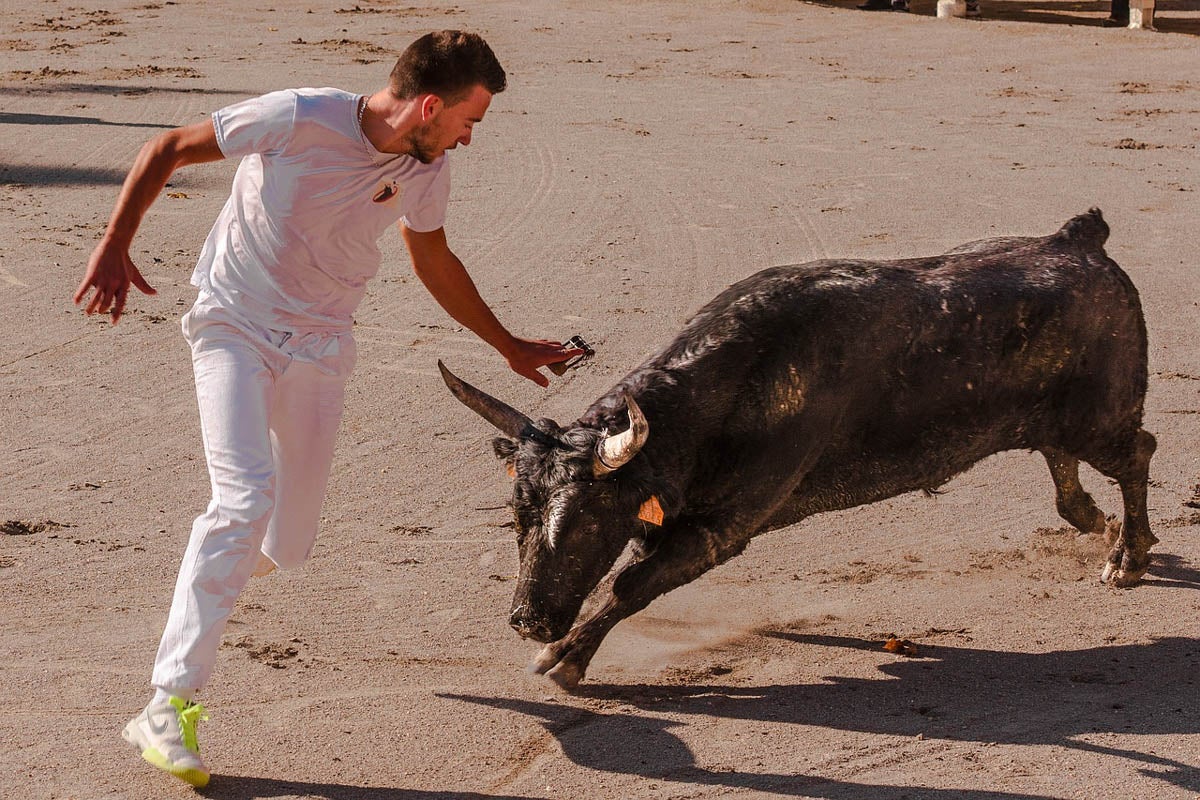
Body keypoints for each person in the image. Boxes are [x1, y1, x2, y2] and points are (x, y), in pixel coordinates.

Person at [73, 30, 580, 788]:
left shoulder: (424, 166)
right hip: (233, 324)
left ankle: (204, 585)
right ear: (431, 105)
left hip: (320, 344)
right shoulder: (298, 116)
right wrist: (114, 243)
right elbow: (169, 146)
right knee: (241, 503)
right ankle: (168, 703)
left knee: (289, 545)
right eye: (470, 121)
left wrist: (505, 344)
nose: (470, 139)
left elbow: (433, 259)